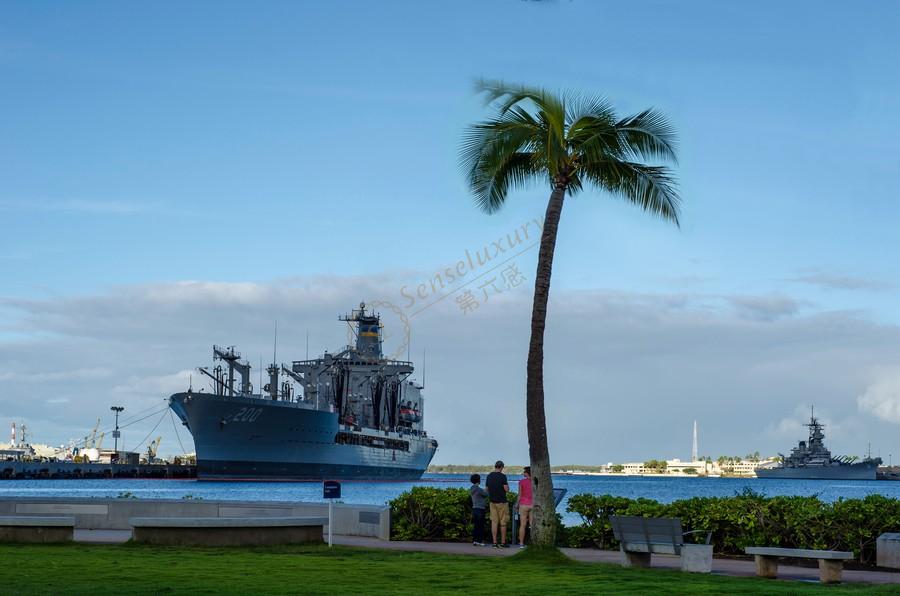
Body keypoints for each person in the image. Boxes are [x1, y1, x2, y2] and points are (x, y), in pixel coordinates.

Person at [485, 460, 510, 548]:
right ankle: (503, 543)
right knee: (503, 522)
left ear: (495, 466)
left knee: (494, 522)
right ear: (502, 467)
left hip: (492, 502)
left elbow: (486, 489)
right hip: (502, 502)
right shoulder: (503, 476)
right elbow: (506, 489)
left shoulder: (489, 476)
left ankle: (494, 542)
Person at [469, 473, 488, 546]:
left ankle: (475, 540)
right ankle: (480, 541)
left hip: (475, 508)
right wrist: (487, 489)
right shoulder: (478, 489)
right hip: (480, 509)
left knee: (476, 525)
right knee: (480, 525)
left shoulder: (472, 488)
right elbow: (486, 495)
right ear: (478, 480)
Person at [517, 466, 533, 548]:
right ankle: (533, 543)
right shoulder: (535, 482)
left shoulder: (521, 482)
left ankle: (521, 544)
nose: (523, 473)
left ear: (527, 473)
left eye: (524, 472)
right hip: (533, 505)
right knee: (532, 525)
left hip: (523, 505)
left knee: (522, 525)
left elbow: (519, 495)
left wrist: (517, 504)